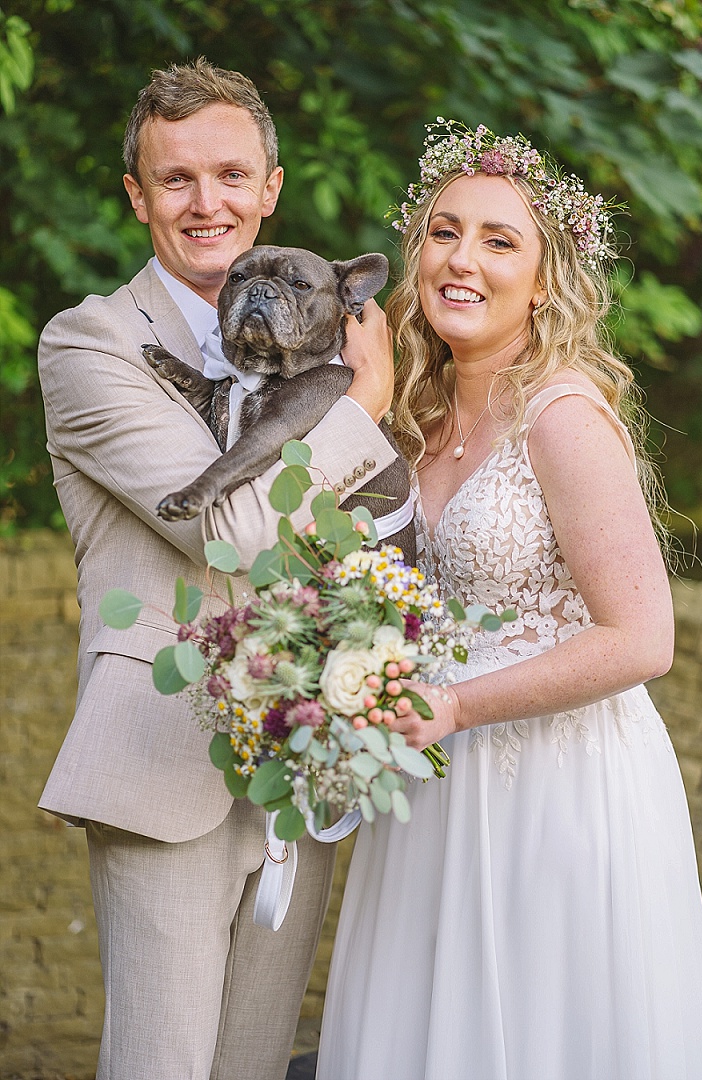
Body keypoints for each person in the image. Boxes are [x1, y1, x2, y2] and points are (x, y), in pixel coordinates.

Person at [317, 120, 702, 1079]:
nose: (463, 259)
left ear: (543, 283)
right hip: (430, 789)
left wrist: (454, 704)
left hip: (557, 787)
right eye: (445, 231)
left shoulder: (565, 418)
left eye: (500, 242)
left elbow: (643, 639)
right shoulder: (411, 414)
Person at [37, 58, 396, 1080]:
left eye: (232, 175)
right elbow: (234, 534)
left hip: (303, 762)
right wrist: (361, 410)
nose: (209, 203)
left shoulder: (326, 336)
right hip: (161, 755)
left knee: (251, 1065)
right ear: (138, 195)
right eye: (178, 178)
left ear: (270, 188)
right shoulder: (93, 344)